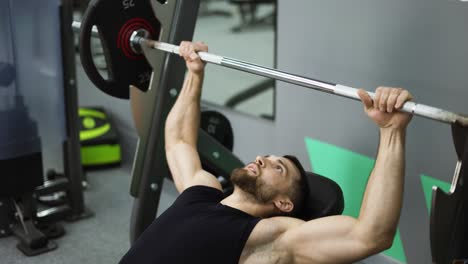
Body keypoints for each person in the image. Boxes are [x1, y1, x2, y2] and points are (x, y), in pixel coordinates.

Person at [119, 41, 413, 264]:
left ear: (284, 203)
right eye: (268, 157)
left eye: (278, 167)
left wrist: (391, 132)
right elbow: (179, 141)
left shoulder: (268, 237)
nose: (261, 158)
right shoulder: (201, 190)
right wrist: (195, 72)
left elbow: (371, 235)